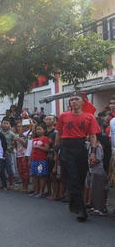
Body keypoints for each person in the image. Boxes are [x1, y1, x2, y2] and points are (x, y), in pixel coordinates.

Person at [54, 91, 101, 222]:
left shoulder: (89, 117)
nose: (73, 102)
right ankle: (82, 209)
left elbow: (93, 136)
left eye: (76, 99)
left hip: (81, 147)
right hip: (66, 147)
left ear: (83, 102)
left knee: (80, 178)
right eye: (72, 99)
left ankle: (74, 202)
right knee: (72, 177)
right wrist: (56, 151)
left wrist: (92, 152)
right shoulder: (63, 115)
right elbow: (58, 134)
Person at [86, 135, 108, 216]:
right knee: (93, 190)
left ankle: (100, 209)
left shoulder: (98, 146)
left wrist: (92, 163)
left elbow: (98, 158)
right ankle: (94, 207)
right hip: (92, 171)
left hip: (98, 171)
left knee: (98, 190)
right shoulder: (90, 145)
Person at [29, 123, 50, 198]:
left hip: (41, 160)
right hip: (34, 160)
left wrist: (39, 147)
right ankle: (36, 191)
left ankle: (41, 192)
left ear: (44, 130)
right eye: (37, 129)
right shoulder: (34, 139)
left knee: (41, 176)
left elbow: (47, 149)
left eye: (40, 129)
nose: (38, 131)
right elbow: (32, 150)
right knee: (35, 176)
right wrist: (30, 160)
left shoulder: (45, 138)